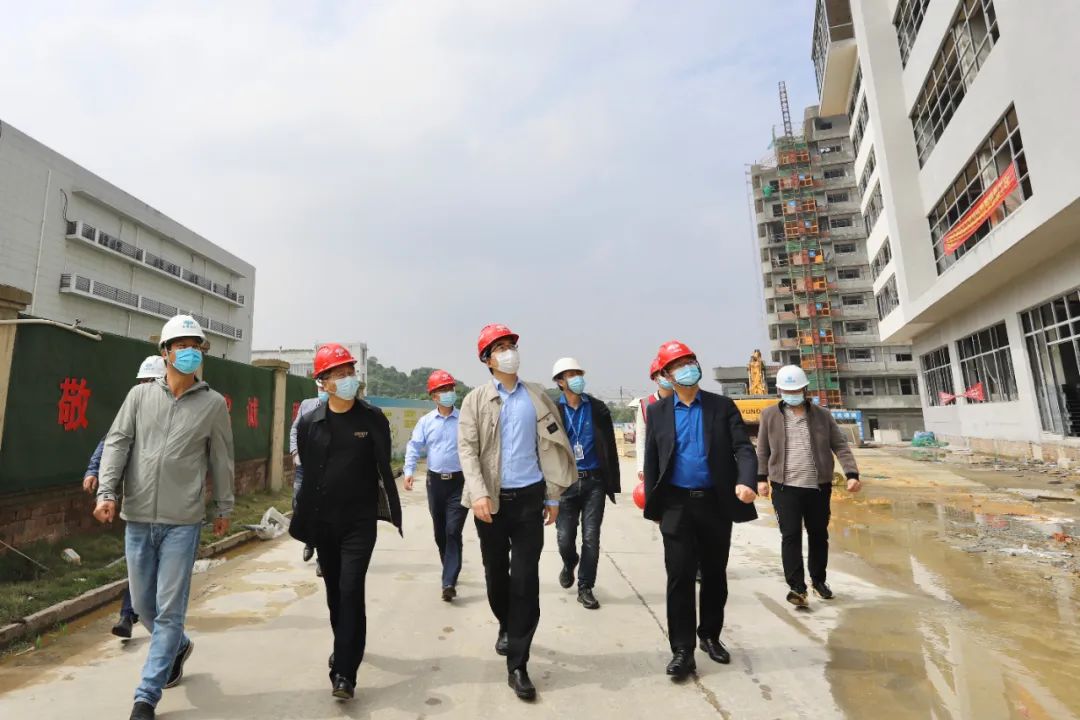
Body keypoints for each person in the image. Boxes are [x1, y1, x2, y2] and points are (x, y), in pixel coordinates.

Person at [94, 315, 234, 720]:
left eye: (196, 346)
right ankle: (179, 645)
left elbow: (222, 459)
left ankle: (146, 696)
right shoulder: (139, 397)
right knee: (142, 605)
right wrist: (107, 492)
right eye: (182, 345)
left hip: (182, 521)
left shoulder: (212, 404)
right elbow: (117, 443)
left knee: (170, 610)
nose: (190, 352)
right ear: (166, 352)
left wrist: (224, 507)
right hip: (138, 515)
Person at [458, 324, 575, 701]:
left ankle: (519, 664)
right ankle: (506, 624)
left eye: (511, 345)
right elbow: (467, 451)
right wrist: (478, 493)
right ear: (487, 360)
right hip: (490, 502)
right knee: (496, 575)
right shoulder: (475, 400)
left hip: (529, 500)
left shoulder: (537, 396)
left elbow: (554, 446)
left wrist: (553, 496)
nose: (509, 352)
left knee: (525, 580)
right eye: (501, 348)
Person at [289, 343, 403, 701]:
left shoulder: (372, 419)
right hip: (325, 524)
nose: (347, 378)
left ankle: (344, 672)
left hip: (359, 523)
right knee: (336, 594)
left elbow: (382, 462)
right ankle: (345, 646)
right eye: (338, 373)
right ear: (323, 382)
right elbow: (309, 471)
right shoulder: (310, 422)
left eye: (350, 371)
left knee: (352, 589)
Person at [642, 340, 758, 680]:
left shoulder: (721, 407)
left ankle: (709, 635)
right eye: (678, 365)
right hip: (676, 505)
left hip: (715, 503)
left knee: (714, 574)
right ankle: (682, 650)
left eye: (690, 361)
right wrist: (654, 506)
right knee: (679, 577)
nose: (687, 368)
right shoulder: (658, 413)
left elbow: (743, 448)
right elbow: (652, 461)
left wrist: (746, 480)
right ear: (666, 375)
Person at [755, 365, 862, 607]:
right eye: (787, 390)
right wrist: (761, 478)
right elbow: (762, 450)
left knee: (818, 535)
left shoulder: (822, 415)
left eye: (796, 390)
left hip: (818, 487)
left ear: (805, 389)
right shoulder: (769, 415)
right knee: (790, 536)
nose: (792, 394)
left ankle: (818, 581)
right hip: (784, 488)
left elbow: (840, 445)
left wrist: (851, 473)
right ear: (780, 390)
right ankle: (797, 587)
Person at [83, 355, 166, 640]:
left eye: (152, 382)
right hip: (138, 500)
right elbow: (110, 441)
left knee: (158, 562)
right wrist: (94, 470)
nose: (145, 387)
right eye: (143, 382)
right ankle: (129, 615)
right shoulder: (133, 410)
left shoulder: (177, 414)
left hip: (171, 505)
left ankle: (150, 614)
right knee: (140, 560)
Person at [550, 357, 620, 610]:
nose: (577, 378)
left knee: (591, 537)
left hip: (594, 483)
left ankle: (585, 587)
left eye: (578, 373)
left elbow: (610, 447)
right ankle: (569, 562)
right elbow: (546, 449)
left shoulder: (598, 409)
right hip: (565, 484)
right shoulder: (552, 411)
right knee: (564, 538)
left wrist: (612, 481)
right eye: (571, 375)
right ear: (560, 382)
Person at [403, 369, 467, 602]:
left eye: (450, 388)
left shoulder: (465, 419)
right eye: (443, 390)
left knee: (453, 530)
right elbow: (414, 446)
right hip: (435, 484)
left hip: (459, 483)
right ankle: (449, 565)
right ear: (433, 396)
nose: (448, 393)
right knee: (441, 533)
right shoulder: (426, 421)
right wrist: (408, 471)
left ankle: (448, 581)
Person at [290, 381, 328, 573]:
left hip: (326, 469)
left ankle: (323, 557)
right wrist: (295, 453)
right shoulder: (306, 405)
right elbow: (295, 430)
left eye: (324, 388)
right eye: (320, 388)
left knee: (323, 511)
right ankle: (309, 541)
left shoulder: (340, 410)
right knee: (299, 503)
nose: (322, 391)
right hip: (304, 466)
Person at [634, 355, 674, 485]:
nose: (667, 376)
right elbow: (641, 437)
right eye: (662, 373)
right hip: (655, 462)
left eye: (669, 372)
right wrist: (641, 466)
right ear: (655, 378)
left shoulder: (683, 401)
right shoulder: (645, 404)